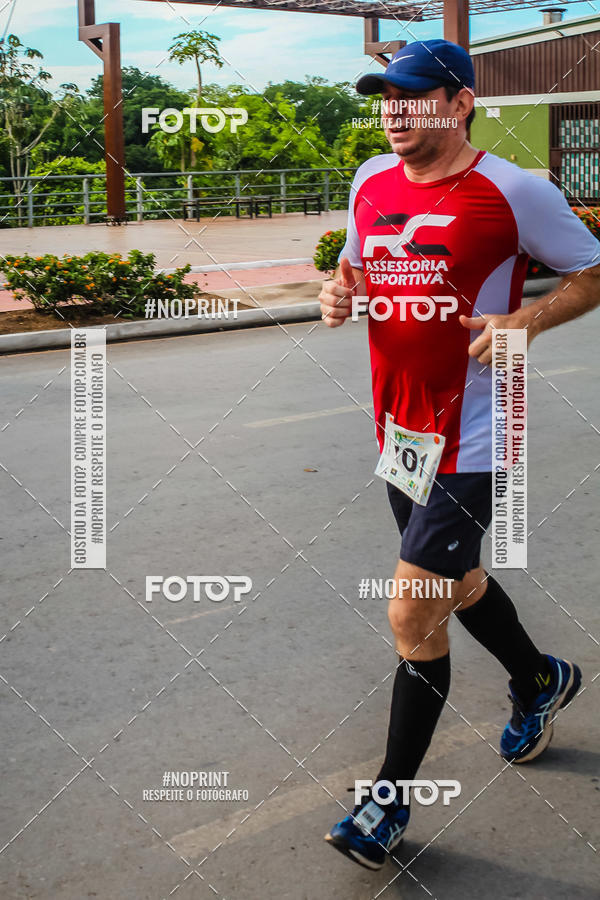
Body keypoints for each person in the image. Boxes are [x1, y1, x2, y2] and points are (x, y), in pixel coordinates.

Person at [319, 38, 600, 871]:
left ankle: (385, 804)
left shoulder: (515, 190)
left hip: (476, 431)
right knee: (456, 580)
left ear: (460, 102)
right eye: (386, 98)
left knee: (413, 610)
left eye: (412, 96)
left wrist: (526, 321)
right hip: (399, 431)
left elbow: (592, 270)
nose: (395, 113)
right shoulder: (371, 179)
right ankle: (540, 679)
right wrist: (338, 289)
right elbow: (353, 266)